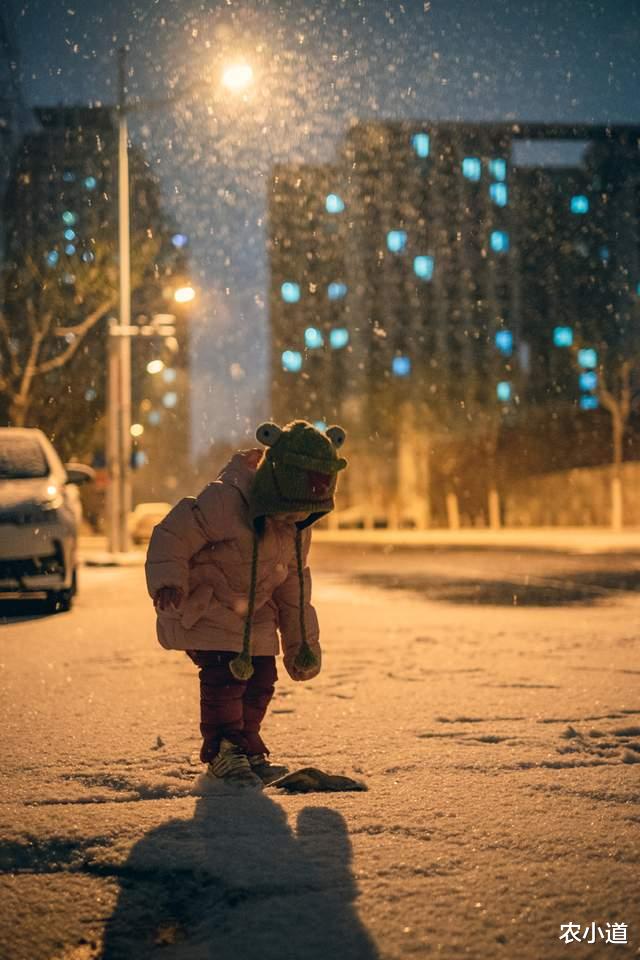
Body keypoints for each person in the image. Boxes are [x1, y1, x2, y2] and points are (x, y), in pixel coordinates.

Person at [145, 419, 348, 788]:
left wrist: (301, 645)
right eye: (289, 510)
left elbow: (294, 591)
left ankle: (245, 745)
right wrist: (169, 581)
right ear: (273, 488)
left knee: (262, 680)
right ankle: (222, 750)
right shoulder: (226, 500)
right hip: (206, 606)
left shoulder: (296, 527)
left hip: (254, 615)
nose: (295, 520)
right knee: (225, 678)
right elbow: (172, 535)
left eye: (306, 513)